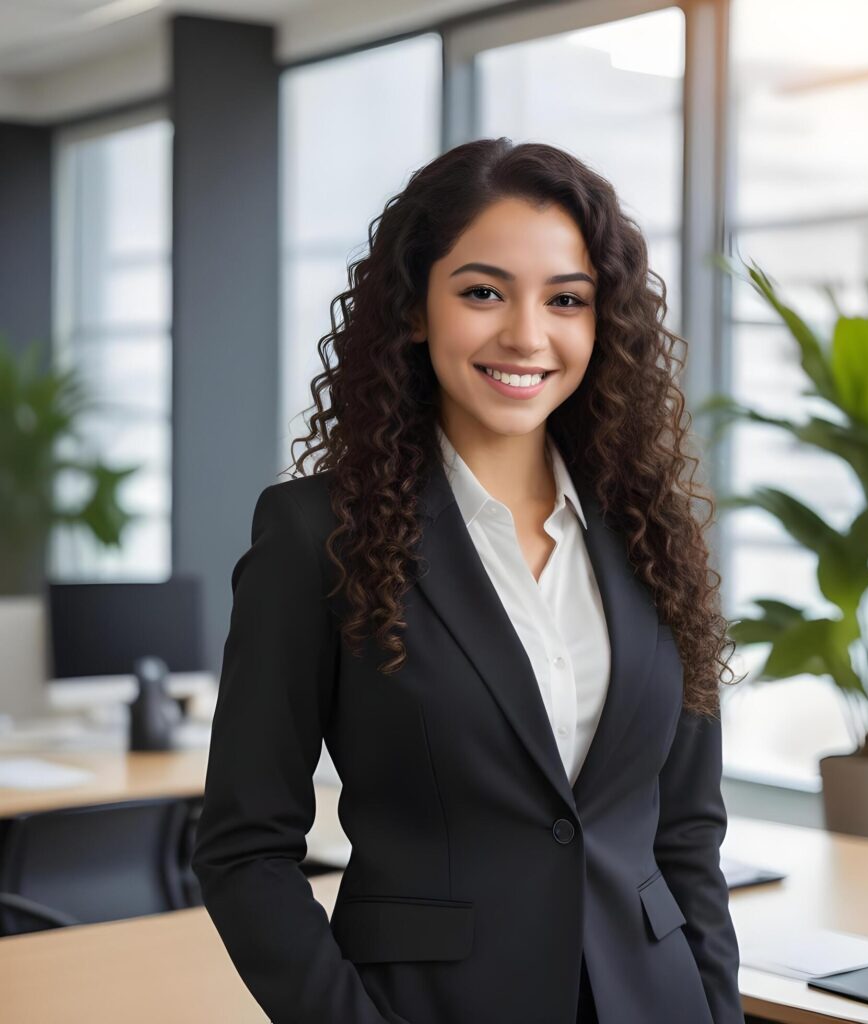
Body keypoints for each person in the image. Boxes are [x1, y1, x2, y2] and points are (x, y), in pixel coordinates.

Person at [191, 137, 744, 1024]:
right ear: (415, 309)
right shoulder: (317, 535)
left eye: (567, 300)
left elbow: (684, 832)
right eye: (483, 292)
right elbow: (244, 848)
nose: (527, 334)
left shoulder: (654, 537)